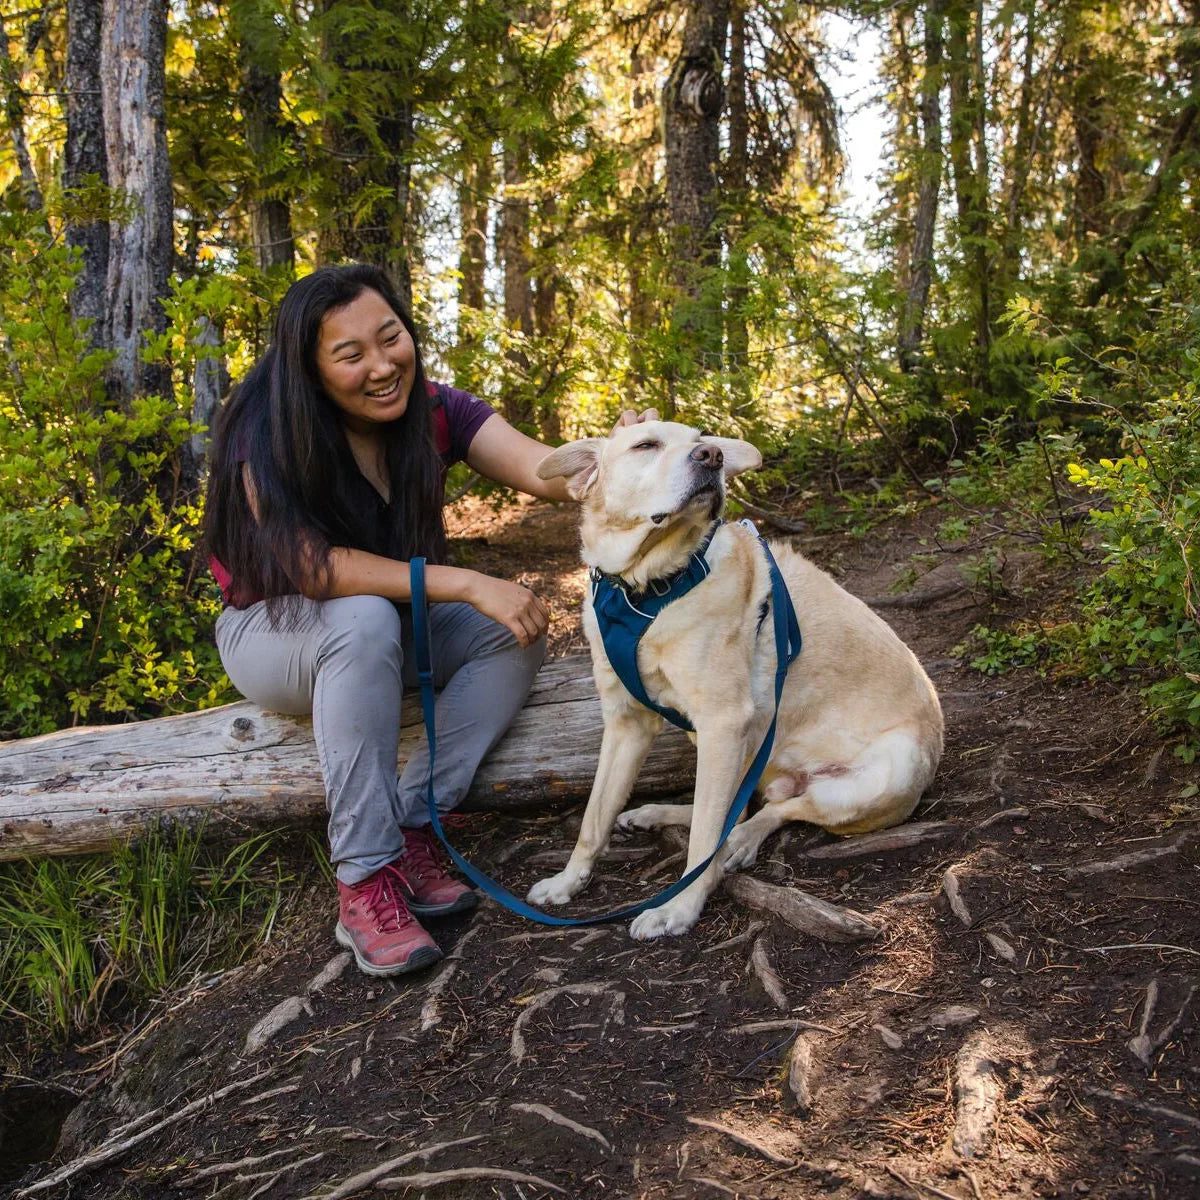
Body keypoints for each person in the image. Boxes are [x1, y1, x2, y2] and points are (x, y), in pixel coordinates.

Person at [204, 264, 652, 978]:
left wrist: (617, 454)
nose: (382, 366)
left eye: (392, 339)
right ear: (308, 367)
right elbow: (313, 571)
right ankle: (363, 878)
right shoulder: (264, 433)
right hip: (273, 632)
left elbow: (545, 469)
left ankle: (416, 821)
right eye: (350, 355)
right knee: (361, 621)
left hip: (383, 621)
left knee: (512, 628)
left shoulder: (434, 410)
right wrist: (466, 581)